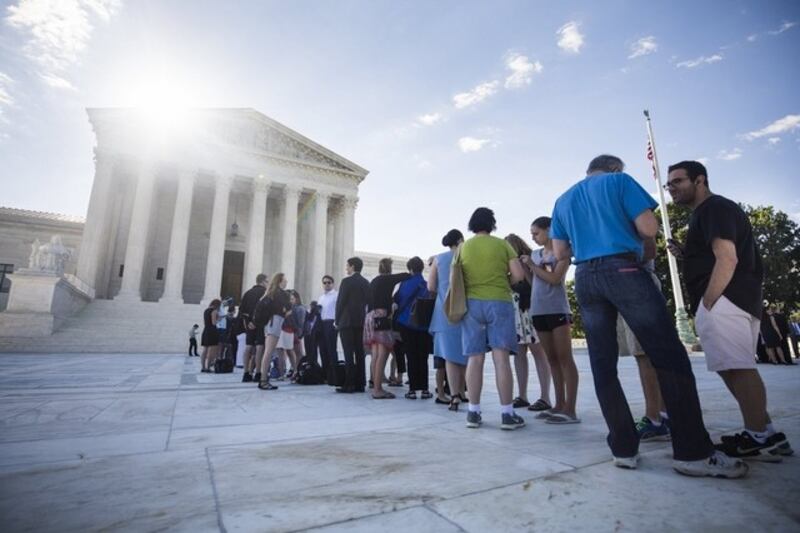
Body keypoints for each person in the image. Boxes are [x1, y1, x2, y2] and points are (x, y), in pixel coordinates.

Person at [551, 154, 746, 478]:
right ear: (615, 168)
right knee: (669, 357)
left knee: (603, 365)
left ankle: (623, 448)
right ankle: (693, 453)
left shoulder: (564, 199)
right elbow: (648, 227)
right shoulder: (620, 182)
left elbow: (560, 253)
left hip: (585, 277)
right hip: (625, 268)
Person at [666, 159, 792, 461]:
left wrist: (709, 301)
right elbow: (716, 256)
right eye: (669, 184)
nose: (672, 189)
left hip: (725, 299)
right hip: (729, 298)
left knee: (738, 367)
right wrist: (688, 255)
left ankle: (758, 435)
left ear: (700, 181)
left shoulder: (714, 208)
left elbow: (727, 258)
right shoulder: (707, 213)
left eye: (678, 181)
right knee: (730, 367)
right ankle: (766, 432)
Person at [460, 207, 526, 430]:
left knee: (475, 358)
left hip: (471, 304)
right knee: (501, 359)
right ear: (492, 224)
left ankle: (473, 412)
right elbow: (518, 275)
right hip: (499, 301)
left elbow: (456, 277)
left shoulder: (464, 247)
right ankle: (507, 414)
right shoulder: (502, 244)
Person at [522, 217, 580, 424]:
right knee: (551, 359)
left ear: (548, 230)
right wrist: (528, 270)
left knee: (565, 358)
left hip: (557, 309)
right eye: (531, 234)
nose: (534, 238)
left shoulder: (561, 251)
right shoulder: (535, 255)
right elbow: (534, 281)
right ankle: (558, 403)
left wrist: (533, 266)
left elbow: (555, 279)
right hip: (538, 310)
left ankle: (570, 408)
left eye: (536, 233)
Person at [504, 233, 552, 412]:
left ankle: (545, 396)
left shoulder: (532, 259)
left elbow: (536, 285)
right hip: (516, 312)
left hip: (531, 309)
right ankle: (522, 395)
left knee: (539, 353)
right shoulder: (508, 265)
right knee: (519, 354)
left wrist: (524, 266)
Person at [428, 229, 468, 411]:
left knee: (448, 356)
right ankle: (462, 391)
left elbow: (431, 286)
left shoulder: (438, 259)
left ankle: (453, 396)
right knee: (464, 354)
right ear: (460, 240)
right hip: (464, 310)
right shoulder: (466, 255)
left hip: (443, 311)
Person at [364, 258, 411, 398]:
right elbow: (406, 275)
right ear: (390, 268)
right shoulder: (388, 279)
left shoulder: (374, 281)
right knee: (382, 354)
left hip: (370, 318)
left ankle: (375, 383)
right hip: (381, 317)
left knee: (376, 354)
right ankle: (378, 390)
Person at [394, 257, 433, 400]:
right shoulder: (427, 285)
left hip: (406, 323)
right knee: (423, 357)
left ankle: (412, 390)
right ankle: (424, 389)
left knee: (410, 356)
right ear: (422, 269)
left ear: (410, 269)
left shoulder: (404, 284)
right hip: (423, 325)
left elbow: (398, 300)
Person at [335, 257, 371, 393]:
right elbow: (368, 301)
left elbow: (341, 302)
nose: (346, 268)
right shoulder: (365, 282)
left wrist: (337, 320)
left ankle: (349, 384)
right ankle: (360, 383)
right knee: (360, 353)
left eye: (347, 265)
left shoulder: (346, 281)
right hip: (360, 321)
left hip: (346, 321)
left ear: (352, 266)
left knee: (348, 352)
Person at [254, 273, 293, 390]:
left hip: (268, 323)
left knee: (268, 351)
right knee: (269, 352)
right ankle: (263, 380)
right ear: (280, 281)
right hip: (275, 322)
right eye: (285, 280)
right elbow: (287, 311)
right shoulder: (282, 294)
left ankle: (263, 378)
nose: (286, 282)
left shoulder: (270, 292)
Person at [239, 274, 269, 383]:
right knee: (260, 348)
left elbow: (241, 310)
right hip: (260, 324)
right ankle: (258, 373)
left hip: (249, 324)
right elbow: (266, 310)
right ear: (263, 282)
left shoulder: (247, 293)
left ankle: (246, 373)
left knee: (248, 347)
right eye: (267, 281)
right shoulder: (265, 293)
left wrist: (247, 323)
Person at [318, 275, 339, 385]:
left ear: (333, 283)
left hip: (331, 323)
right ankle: (325, 375)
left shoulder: (336, 295)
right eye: (325, 283)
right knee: (322, 349)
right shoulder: (321, 297)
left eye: (329, 282)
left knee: (331, 349)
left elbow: (338, 310)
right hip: (322, 324)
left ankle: (334, 375)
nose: (327, 284)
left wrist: (337, 322)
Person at [200, 299, 221, 373]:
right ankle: (208, 367)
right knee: (211, 351)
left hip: (206, 330)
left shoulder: (206, 310)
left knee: (205, 350)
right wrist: (218, 318)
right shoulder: (214, 311)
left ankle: (203, 367)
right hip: (212, 331)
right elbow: (214, 323)